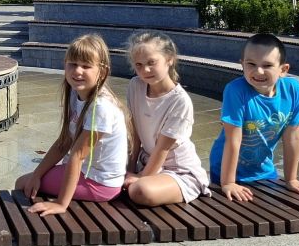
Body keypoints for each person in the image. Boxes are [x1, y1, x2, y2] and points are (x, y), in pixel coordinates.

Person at [15, 34, 129, 215]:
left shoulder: (101, 107)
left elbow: (77, 156)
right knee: (29, 181)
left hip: (100, 183)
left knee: (22, 183)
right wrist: (37, 174)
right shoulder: (76, 95)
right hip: (87, 174)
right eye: (73, 64)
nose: (77, 71)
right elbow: (64, 142)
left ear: (102, 71)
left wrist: (61, 204)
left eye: (86, 66)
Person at [209, 32, 299, 202]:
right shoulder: (236, 90)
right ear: (242, 64)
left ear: (283, 70)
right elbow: (233, 140)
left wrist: (291, 179)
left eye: (267, 65)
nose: (258, 71)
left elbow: (293, 136)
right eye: (251, 64)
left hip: (263, 170)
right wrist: (228, 182)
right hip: (226, 170)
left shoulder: (292, 90)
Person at [124, 31, 210, 205]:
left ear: (169, 59)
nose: (145, 70)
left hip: (179, 171)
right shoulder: (135, 86)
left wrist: (140, 177)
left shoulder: (180, 101)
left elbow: (162, 149)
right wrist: (129, 171)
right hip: (148, 163)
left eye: (151, 62)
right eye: (139, 65)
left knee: (140, 190)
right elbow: (135, 135)